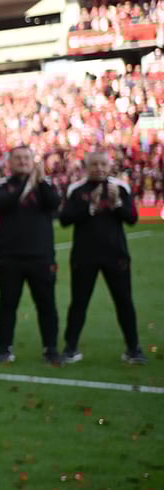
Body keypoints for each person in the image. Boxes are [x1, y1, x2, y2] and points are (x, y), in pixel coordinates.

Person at [59, 150, 147, 365]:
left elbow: (132, 218)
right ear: (86, 167)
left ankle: (133, 349)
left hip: (116, 255)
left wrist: (116, 204)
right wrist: (90, 206)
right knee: (79, 302)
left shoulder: (120, 187)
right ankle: (71, 348)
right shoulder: (76, 189)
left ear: (109, 166)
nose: (98, 168)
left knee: (124, 301)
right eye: (94, 164)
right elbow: (65, 219)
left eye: (102, 164)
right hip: (84, 256)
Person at [0, 146, 62, 365]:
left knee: (46, 305)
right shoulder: (2, 186)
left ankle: (50, 349)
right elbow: (2, 204)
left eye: (26, 158)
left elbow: (54, 204)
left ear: (33, 161)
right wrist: (28, 185)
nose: (22, 162)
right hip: (9, 257)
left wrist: (38, 182)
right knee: (7, 305)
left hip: (41, 257)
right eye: (18, 158)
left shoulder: (45, 185)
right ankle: (4, 349)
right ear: (9, 163)